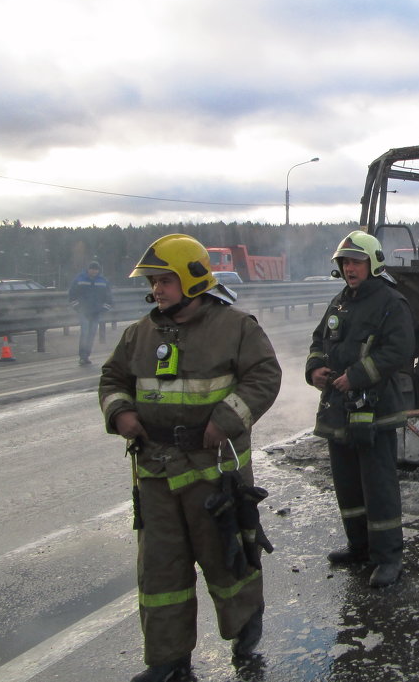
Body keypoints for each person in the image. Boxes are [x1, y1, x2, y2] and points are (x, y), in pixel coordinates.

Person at [99, 234, 282, 682]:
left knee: (224, 557)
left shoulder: (236, 327)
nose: (157, 289)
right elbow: (112, 379)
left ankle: (244, 626)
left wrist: (226, 418)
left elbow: (264, 376)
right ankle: (168, 660)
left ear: (193, 281)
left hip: (212, 472)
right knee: (161, 571)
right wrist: (120, 412)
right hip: (155, 473)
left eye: (165, 280)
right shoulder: (139, 333)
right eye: (154, 282)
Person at [306, 230, 415, 588]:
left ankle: (388, 558)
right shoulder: (340, 301)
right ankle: (359, 547)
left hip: (375, 410)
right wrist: (315, 369)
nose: (349, 268)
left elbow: (399, 351)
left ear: (373, 263)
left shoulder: (390, 301)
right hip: (338, 410)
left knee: (378, 485)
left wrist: (356, 376)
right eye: (345, 262)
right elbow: (319, 339)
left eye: (355, 261)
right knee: (347, 484)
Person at [68, 260, 114, 365]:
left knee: (92, 334)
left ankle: (86, 355)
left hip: (96, 313)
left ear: (98, 270)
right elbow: (72, 295)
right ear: (88, 269)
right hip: (83, 312)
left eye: (96, 269)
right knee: (85, 333)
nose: (93, 271)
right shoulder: (79, 279)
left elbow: (109, 297)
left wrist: (104, 309)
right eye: (92, 269)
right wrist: (78, 308)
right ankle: (82, 356)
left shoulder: (103, 281)